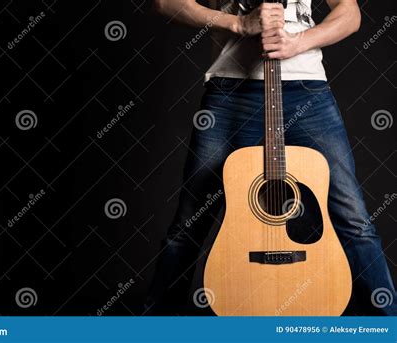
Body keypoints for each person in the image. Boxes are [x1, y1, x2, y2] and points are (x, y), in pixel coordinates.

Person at [145, 0, 397, 315]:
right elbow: (165, 4)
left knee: (353, 219)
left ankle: (389, 326)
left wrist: (299, 41)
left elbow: (350, 13)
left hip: (306, 91)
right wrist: (238, 23)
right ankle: (156, 329)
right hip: (231, 90)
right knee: (190, 222)